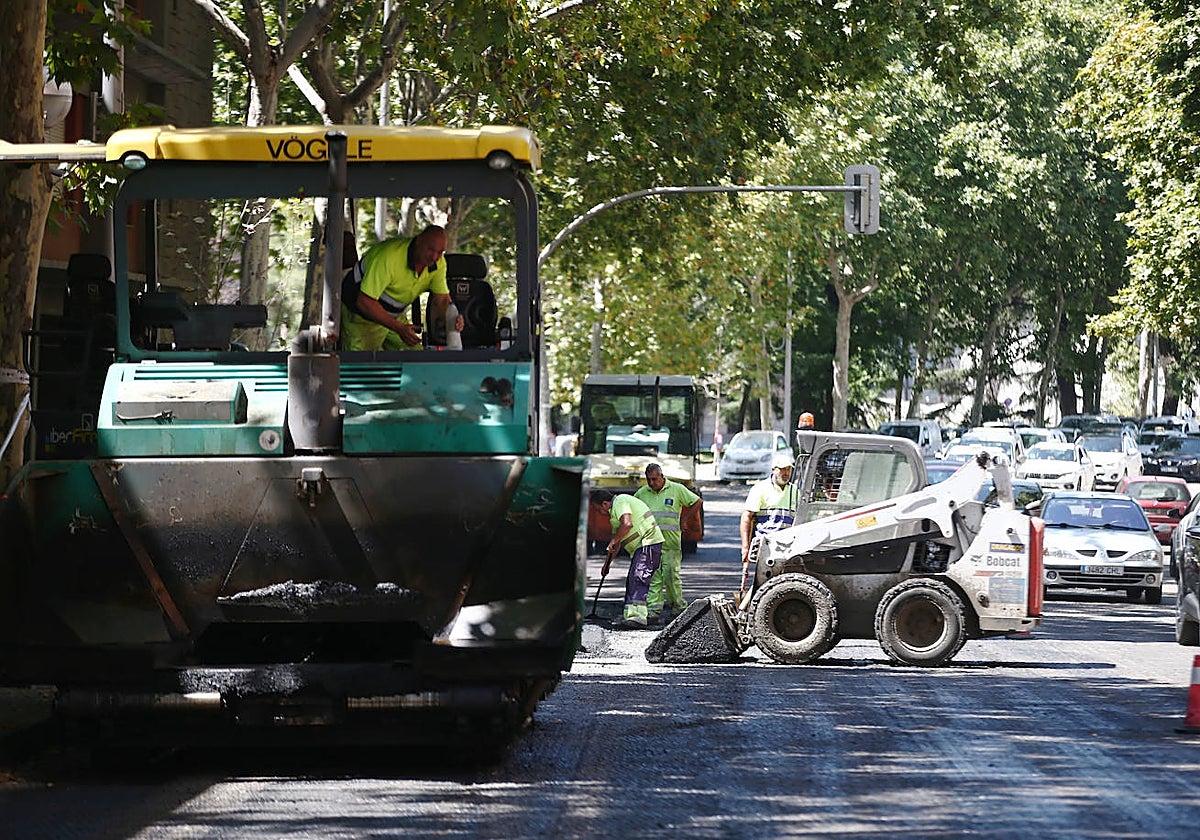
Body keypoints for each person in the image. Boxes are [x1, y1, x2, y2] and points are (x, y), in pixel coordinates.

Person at [340, 224, 462, 350]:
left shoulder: (438, 263)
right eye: (430, 249)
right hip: (360, 317)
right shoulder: (389, 257)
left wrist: (453, 318)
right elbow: (364, 302)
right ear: (419, 240)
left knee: (418, 360)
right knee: (364, 365)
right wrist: (398, 328)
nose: (434, 257)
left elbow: (441, 301)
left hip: (394, 317)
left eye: (440, 252)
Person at [635, 463, 701, 624]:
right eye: (648, 480)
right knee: (653, 577)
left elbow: (697, 501)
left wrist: (685, 519)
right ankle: (653, 610)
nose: (651, 483)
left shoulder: (676, 489)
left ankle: (677, 607)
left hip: (671, 543)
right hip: (650, 542)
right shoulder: (642, 493)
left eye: (654, 479)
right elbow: (632, 509)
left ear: (662, 476)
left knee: (671, 576)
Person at [596, 489, 665, 629]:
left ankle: (637, 617)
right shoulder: (614, 514)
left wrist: (614, 540)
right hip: (642, 546)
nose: (599, 512)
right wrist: (607, 565)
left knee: (638, 578)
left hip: (648, 541)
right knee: (633, 579)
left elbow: (627, 525)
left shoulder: (621, 500)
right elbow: (617, 543)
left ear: (604, 503)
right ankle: (635, 615)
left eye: (598, 509)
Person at [740, 450, 800, 594]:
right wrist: (745, 547)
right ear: (773, 470)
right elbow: (747, 517)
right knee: (763, 585)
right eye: (782, 469)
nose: (786, 473)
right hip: (765, 546)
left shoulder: (795, 491)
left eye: (788, 469)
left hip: (788, 547)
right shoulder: (760, 489)